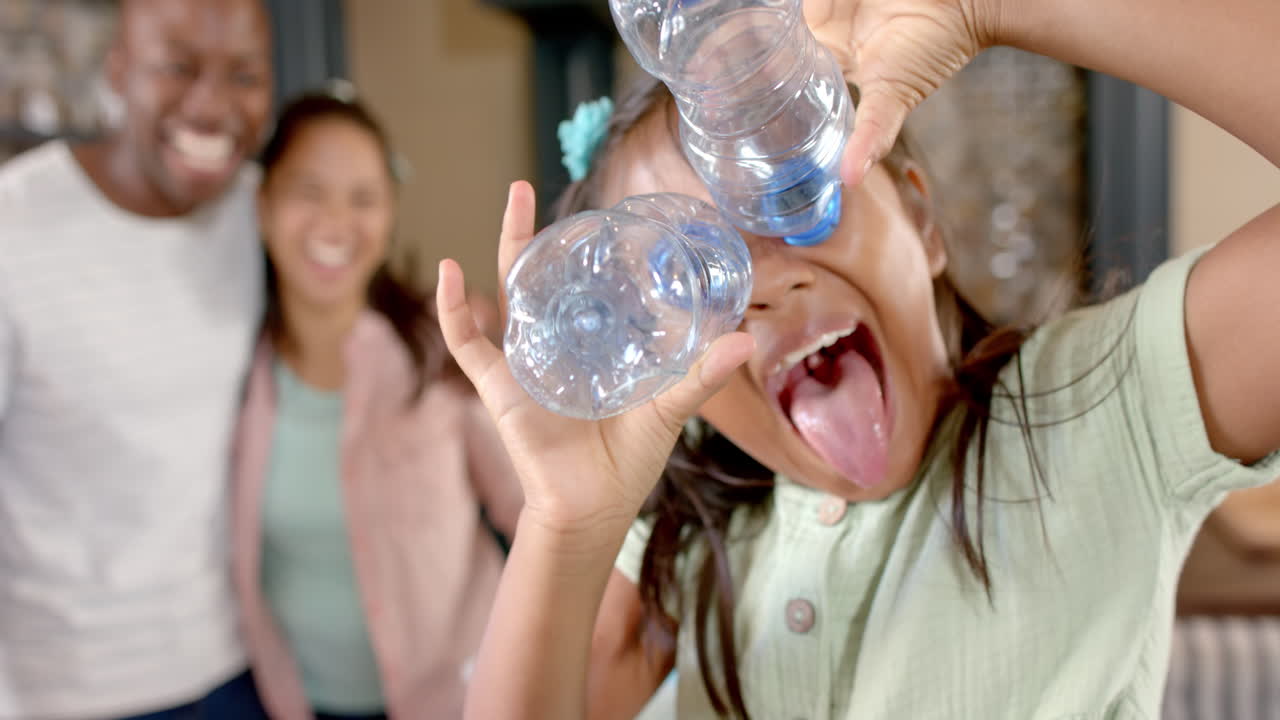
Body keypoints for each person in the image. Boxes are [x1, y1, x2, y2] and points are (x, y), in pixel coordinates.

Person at [434, 0, 1280, 715]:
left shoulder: (1098, 407)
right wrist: (567, 528)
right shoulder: (683, 538)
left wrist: (988, 7)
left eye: (790, 195)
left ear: (922, 220)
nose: (753, 285)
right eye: (682, 274)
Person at [0, 0, 274, 717]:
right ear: (119, 70)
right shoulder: (13, 228)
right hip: (61, 692)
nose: (213, 105)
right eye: (178, 67)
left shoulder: (259, 213)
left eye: (244, 73)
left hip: (236, 669)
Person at [232, 92, 522, 720]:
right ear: (263, 206)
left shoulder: (440, 345)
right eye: (309, 191)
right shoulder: (233, 367)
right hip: (292, 701)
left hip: (463, 698)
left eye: (363, 198)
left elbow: (531, 510)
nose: (336, 222)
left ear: (390, 215)